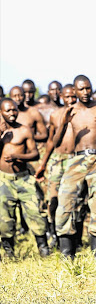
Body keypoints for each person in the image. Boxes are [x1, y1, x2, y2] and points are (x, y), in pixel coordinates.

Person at [53, 75, 96, 257]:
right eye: (81, 89)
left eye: (88, 88)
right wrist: (63, 123)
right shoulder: (70, 111)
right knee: (65, 202)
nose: (85, 92)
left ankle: (95, 254)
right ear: (74, 91)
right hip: (77, 159)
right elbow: (56, 143)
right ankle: (67, 253)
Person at [0, 98, 50, 257]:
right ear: (1, 113)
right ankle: (9, 252)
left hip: (24, 179)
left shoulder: (25, 130)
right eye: (7, 110)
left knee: (36, 213)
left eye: (14, 110)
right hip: (4, 180)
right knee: (5, 218)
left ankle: (43, 249)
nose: (12, 113)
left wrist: (17, 156)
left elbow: (34, 154)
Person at [35, 85, 78, 249]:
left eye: (73, 96)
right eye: (67, 97)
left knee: (75, 200)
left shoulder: (81, 115)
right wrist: (43, 164)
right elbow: (52, 141)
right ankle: (54, 234)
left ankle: (73, 238)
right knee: (52, 200)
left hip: (75, 159)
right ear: (61, 96)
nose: (70, 100)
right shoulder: (55, 115)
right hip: (57, 160)